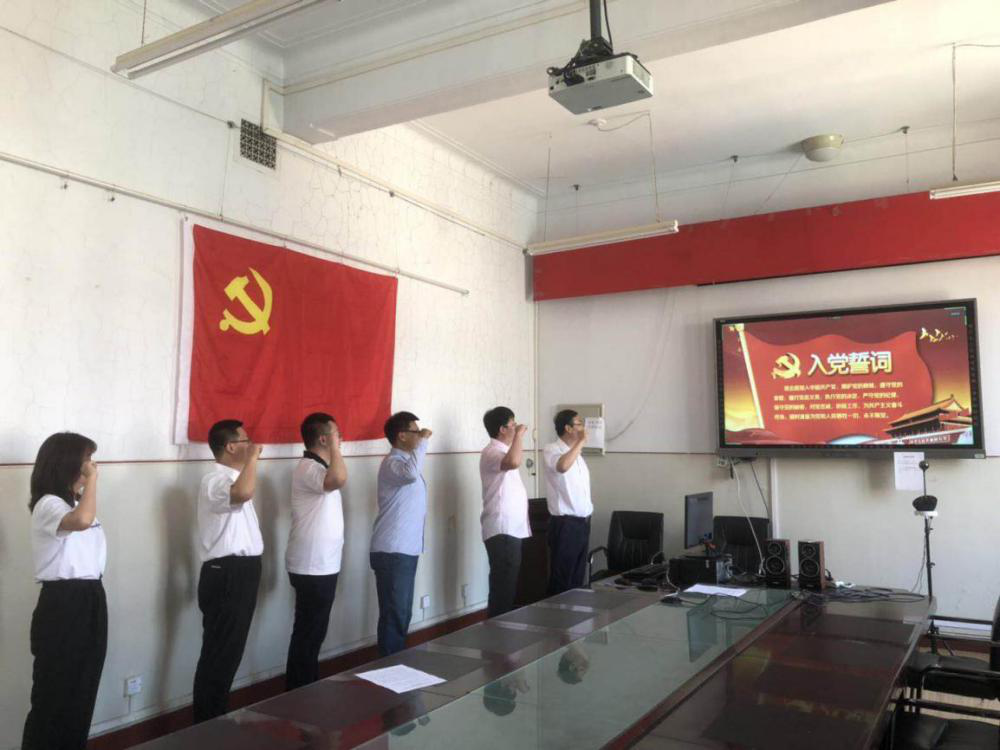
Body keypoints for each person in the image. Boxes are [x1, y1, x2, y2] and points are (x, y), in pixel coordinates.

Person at [22, 432, 107, 750]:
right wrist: (93, 480)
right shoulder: (48, 504)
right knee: (54, 699)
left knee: (81, 694)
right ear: (67, 463)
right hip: (64, 604)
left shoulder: (75, 503)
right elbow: (82, 521)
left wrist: (87, 485)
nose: (91, 467)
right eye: (87, 460)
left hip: (89, 598)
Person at [192, 419, 263, 723]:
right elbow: (243, 493)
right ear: (231, 446)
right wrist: (254, 458)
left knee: (230, 651)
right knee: (220, 652)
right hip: (227, 572)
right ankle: (207, 724)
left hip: (242, 571)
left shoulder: (234, 477)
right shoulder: (215, 479)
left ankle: (215, 717)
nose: (252, 445)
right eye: (246, 441)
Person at [284, 412, 347, 691]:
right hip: (312, 565)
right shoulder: (309, 467)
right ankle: (299, 692)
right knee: (308, 634)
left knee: (313, 633)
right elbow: (339, 478)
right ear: (323, 439)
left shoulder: (319, 467)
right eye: (337, 435)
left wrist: (333, 448)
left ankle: (306, 687)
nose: (341, 439)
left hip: (322, 564)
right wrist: (335, 448)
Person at [370, 411, 431, 656]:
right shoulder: (392, 463)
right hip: (392, 551)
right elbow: (411, 474)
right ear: (402, 436)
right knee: (394, 615)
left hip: (404, 550)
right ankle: (388, 667)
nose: (420, 435)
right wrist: (423, 442)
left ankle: (396, 664)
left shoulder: (404, 462)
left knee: (402, 613)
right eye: (416, 432)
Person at [479, 406, 530, 617]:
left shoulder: (502, 451)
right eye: (512, 424)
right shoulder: (492, 452)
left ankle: (502, 629)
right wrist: (519, 436)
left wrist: (516, 437)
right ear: (502, 429)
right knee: (503, 588)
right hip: (502, 529)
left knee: (508, 586)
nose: (516, 427)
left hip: (510, 529)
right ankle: (497, 632)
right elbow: (514, 462)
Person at [542, 410, 592, 595]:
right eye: (579, 423)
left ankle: (573, 614)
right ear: (568, 428)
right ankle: (555, 614)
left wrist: (578, 446)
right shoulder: (552, 449)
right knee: (561, 579)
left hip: (583, 523)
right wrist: (581, 442)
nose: (583, 428)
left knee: (576, 580)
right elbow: (562, 466)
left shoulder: (577, 455)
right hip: (565, 524)